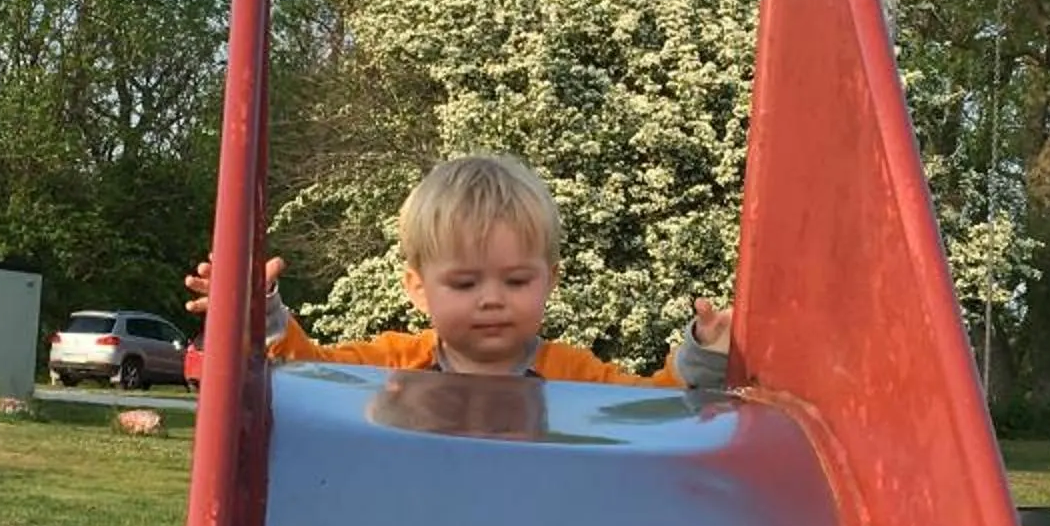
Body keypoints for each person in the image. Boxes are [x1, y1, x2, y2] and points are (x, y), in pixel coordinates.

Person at [186, 152, 732, 387]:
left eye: (517, 281)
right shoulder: (394, 366)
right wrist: (260, 315)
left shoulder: (572, 375)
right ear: (418, 289)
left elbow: (651, 414)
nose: (491, 298)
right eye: (465, 283)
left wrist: (704, 355)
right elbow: (312, 376)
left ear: (552, 280)